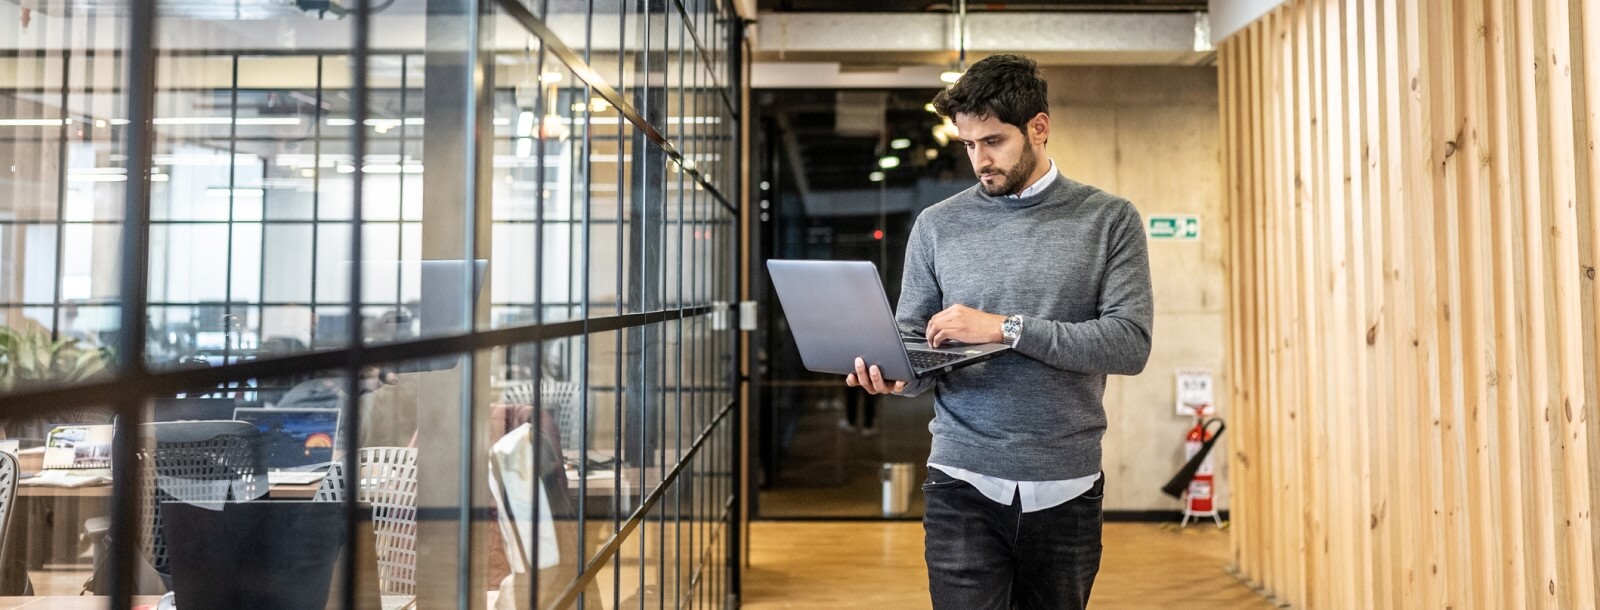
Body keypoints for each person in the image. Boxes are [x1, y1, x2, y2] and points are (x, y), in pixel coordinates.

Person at [845, 54, 1153, 610]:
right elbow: (913, 337)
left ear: (1039, 127)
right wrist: (896, 377)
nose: (979, 160)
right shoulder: (937, 225)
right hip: (960, 480)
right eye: (968, 144)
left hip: (1068, 487)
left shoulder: (1109, 220)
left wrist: (1007, 329)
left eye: (993, 141)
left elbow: (1129, 344)